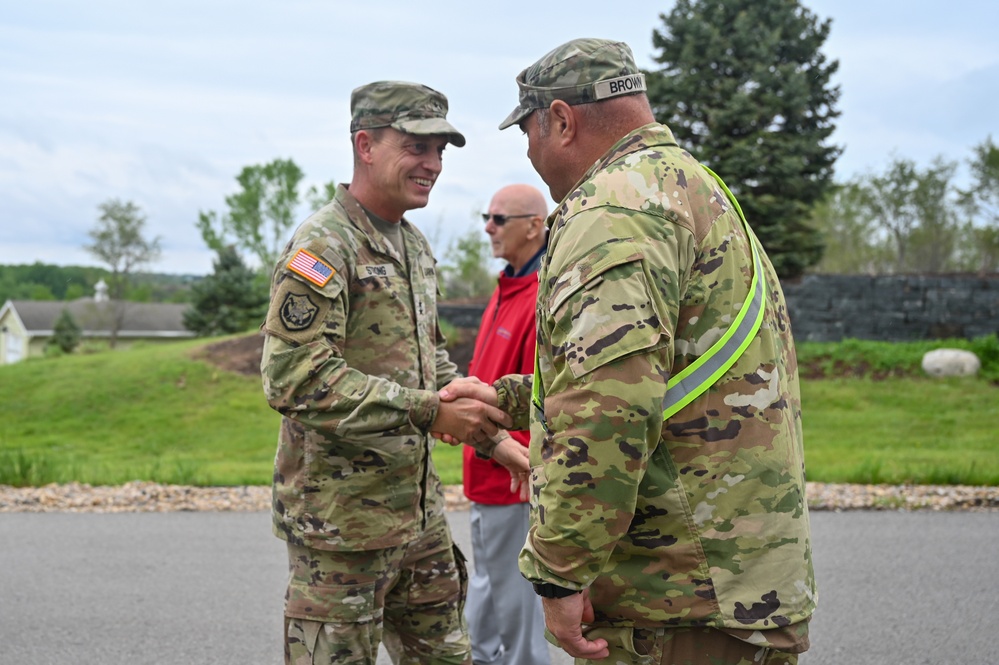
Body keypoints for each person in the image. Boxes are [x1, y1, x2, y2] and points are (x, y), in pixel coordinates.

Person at [442, 38, 815, 664]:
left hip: (675, 595)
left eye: (528, 133)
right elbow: (664, 372)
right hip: (729, 581)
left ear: (562, 120)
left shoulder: (610, 209)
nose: (530, 152)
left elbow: (607, 408)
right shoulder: (692, 186)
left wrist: (561, 569)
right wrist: (512, 399)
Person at [259, 80, 527, 665]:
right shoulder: (324, 245)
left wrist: (494, 439)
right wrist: (428, 410)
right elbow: (294, 376)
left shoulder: (413, 246)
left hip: (419, 521)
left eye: (441, 151)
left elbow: (430, 367)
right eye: (416, 147)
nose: (432, 164)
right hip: (342, 531)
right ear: (365, 144)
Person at [463, 184, 551, 665]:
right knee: (486, 611)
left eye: (499, 219)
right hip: (483, 475)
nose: (488, 227)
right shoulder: (507, 287)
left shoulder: (540, 298)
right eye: (487, 216)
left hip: (512, 479)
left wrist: (512, 453)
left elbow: (543, 399)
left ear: (534, 226)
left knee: (518, 626)